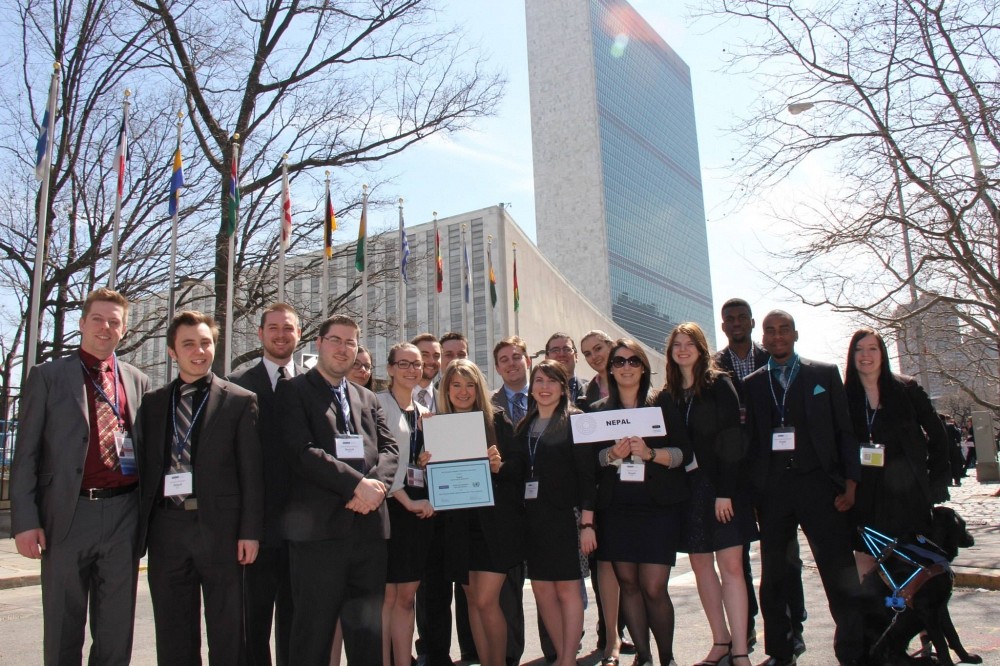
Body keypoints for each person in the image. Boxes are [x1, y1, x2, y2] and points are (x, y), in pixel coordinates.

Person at [10, 288, 149, 666]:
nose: (105, 328)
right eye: (98, 319)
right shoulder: (48, 376)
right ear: (83, 323)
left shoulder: (137, 380)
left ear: (124, 329)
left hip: (124, 515)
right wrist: (26, 521)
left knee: (116, 630)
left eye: (114, 322)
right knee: (63, 625)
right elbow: (26, 454)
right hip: (67, 515)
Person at [136, 310, 263, 664]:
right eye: (188, 344)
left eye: (206, 343)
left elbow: (252, 473)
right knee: (173, 632)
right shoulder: (153, 403)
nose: (199, 351)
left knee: (228, 632)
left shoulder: (239, 400)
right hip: (167, 529)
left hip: (221, 531)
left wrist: (250, 532)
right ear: (172, 351)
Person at [743, 311, 863, 666]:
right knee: (775, 577)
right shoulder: (751, 383)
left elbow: (845, 431)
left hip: (820, 487)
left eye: (784, 330)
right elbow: (750, 443)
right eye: (770, 331)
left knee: (839, 572)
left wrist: (851, 484)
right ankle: (781, 652)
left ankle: (854, 651)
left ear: (795, 334)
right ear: (763, 338)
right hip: (774, 492)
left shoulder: (823, 374)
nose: (777, 336)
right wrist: (754, 493)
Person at [278, 315, 398, 665]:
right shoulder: (293, 391)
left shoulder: (367, 397)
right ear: (319, 343)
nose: (343, 349)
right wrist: (356, 486)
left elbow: (390, 450)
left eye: (351, 343)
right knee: (312, 637)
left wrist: (375, 488)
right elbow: (301, 452)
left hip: (369, 534)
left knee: (368, 641)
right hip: (320, 538)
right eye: (336, 340)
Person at [713, 298, 803, 655]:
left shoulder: (775, 358)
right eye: (729, 319)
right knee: (739, 561)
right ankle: (746, 626)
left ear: (752, 323)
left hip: (775, 473)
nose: (736, 323)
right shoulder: (714, 366)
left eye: (742, 318)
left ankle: (792, 625)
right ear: (723, 326)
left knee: (784, 557)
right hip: (735, 475)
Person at [594, 339, 692, 666]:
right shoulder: (598, 411)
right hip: (617, 511)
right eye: (619, 361)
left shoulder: (663, 403)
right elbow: (589, 463)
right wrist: (611, 454)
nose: (626, 367)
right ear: (610, 369)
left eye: (633, 361)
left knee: (653, 587)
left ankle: (667, 659)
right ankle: (645, 658)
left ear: (643, 368)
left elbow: (683, 454)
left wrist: (650, 453)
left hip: (658, 509)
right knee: (629, 585)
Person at [665, 323, 757, 666]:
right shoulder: (669, 394)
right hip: (689, 492)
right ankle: (720, 641)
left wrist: (726, 492)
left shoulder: (719, 383)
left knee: (731, 567)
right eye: (677, 344)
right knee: (702, 566)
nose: (682, 349)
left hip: (722, 489)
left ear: (701, 348)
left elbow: (733, 439)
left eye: (689, 343)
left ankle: (740, 650)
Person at [425, 359, 525, 666]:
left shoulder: (496, 420)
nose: (463, 391)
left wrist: (499, 466)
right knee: (471, 601)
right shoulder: (437, 426)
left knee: (485, 600)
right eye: (456, 385)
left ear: (478, 387)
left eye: (470, 385)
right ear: (446, 389)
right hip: (457, 526)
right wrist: (424, 464)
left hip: (494, 528)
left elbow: (520, 469)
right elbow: (433, 482)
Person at [227, 302, 303, 666]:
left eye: (288, 328)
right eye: (273, 328)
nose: (280, 335)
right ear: (260, 334)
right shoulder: (236, 385)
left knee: (297, 622)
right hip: (256, 527)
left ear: (299, 335)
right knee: (252, 623)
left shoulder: (312, 385)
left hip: (305, 529)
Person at [843, 327, 951, 576]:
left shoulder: (907, 388)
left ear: (882, 353)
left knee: (910, 561)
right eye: (859, 349)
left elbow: (938, 435)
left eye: (872, 348)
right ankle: (876, 602)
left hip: (907, 491)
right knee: (867, 559)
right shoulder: (843, 396)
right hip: (865, 493)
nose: (865, 355)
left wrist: (934, 480)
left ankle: (910, 601)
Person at [515, 360, 597, 666]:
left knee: (567, 590)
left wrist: (587, 523)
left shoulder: (577, 421)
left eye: (552, 381)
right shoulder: (524, 426)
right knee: (542, 591)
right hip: (533, 521)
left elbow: (588, 477)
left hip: (567, 519)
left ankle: (567, 659)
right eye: (539, 380)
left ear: (563, 388)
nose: (544, 387)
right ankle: (563, 655)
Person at [377, 343, 434, 666]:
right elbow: (378, 461)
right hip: (389, 508)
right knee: (387, 597)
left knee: (407, 596)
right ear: (390, 368)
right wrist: (407, 501)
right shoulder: (376, 404)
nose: (412, 370)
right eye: (404, 364)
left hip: (418, 511)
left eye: (417, 364)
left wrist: (425, 460)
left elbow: (418, 460)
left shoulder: (425, 413)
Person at [578, 329, 630, 664]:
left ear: (612, 346)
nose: (595, 356)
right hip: (604, 493)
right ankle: (610, 636)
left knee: (637, 572)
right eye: (588, 353)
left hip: (642, 490)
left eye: (599, 348)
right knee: (606, 569)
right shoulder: (586, 400)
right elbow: (587, 458)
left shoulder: (640, 386)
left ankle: (632, 632)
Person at [544, 333, 584, 402]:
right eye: (555, 350)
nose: (561, 354)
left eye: (567, 349)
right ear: (546, 359)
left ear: (576, 356)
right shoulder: (538, 393)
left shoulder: (592, 389)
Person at [411, 333, 441, 412]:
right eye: (424, 355)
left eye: (436, 356)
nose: (432, 361)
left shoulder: (446, 401)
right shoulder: (390, 399)